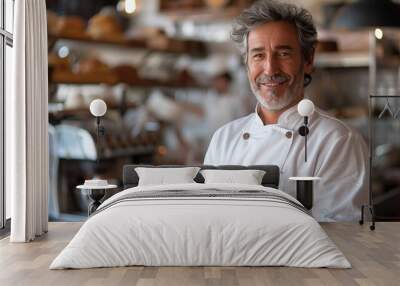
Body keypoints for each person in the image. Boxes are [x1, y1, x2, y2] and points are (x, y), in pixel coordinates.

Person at [204, 0, 368, 222]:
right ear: (247, 64)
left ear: (308, 60)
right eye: (258, 55)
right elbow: (207, 219)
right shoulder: (224, 138)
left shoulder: (337, 140)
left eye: (283, 54)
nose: (270, 69)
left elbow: (341, 235)